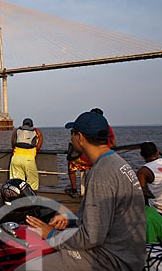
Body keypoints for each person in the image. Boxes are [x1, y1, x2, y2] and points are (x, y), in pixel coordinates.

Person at [21, 111, 145, 270]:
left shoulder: (101, 174)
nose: (71, 139)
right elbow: (106, 218)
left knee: (27, 267)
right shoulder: (117, 163)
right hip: (128, 253)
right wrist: (72, 218)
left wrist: (50, 235)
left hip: (111, 259)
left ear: (79, 137)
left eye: (72, 134)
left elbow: (91, 237)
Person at [65, 107, 116, 198]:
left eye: (73, 132)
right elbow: (113, 144)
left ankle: (74, 189)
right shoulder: (116, 166)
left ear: (80, 137)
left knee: (71, 166)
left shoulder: (97, 181)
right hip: (100, 158)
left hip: (85, 160)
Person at [9, 118, 43, 190]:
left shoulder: (17, 130)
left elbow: (13, 143)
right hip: (28, 159)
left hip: (15, 158)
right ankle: (31, 198)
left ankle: (16, 198)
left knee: (16, 182)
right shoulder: (36, 131)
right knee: (32, 182)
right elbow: (39, 144)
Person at [137, 141, 162, 213]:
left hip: (157, 210)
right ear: (157, 152)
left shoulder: (143, 171)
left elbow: (143, 191)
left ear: (141, 155)